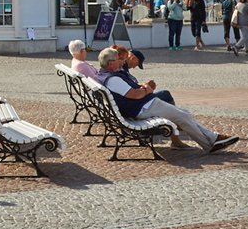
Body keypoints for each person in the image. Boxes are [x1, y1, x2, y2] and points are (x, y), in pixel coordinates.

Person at [96, 46, 240, 153]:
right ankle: (210, 143)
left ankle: (213, 139)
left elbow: (132, 92)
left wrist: (144, 89)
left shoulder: (108, 75)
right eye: (118, 60)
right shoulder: (113, 79)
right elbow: (135, 94)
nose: (121, 62)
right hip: (143, 107)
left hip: (144, 105)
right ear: (110, 63)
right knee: (183, 116)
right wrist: (148, 89)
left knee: (184, 113)